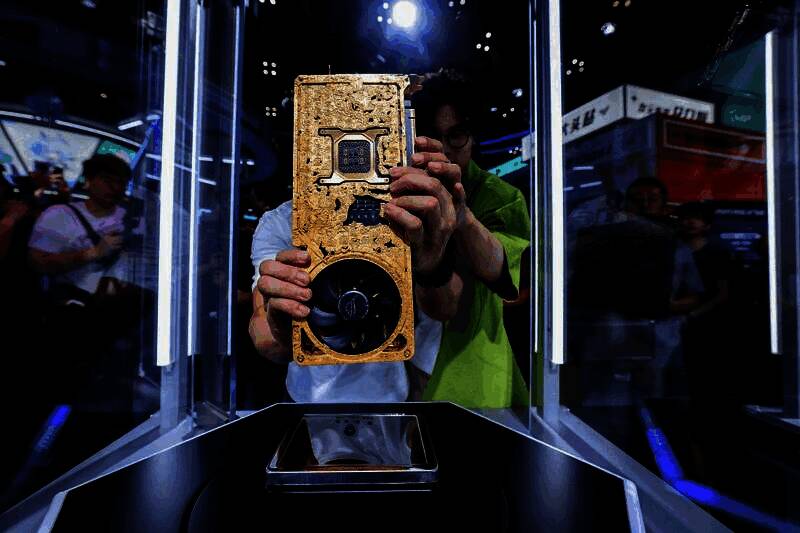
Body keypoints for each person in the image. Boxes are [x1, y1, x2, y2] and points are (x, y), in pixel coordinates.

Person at [250, 71, 530, 408]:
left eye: (456, 136)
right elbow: (264, 330)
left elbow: (459, 302)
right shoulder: (283, 221)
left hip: (416, 392)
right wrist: (282, 327)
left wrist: (449, 233)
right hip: (313, 399)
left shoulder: (414, 208)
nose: (443, 150)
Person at [28, 154, 144, 408]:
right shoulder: (60, 216)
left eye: (121, 182)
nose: (115, 188)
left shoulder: (135, 220)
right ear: (89, 181)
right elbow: (38, 263)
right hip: (74, 315)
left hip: (121, 317)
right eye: (107, 180)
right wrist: (92, 253)